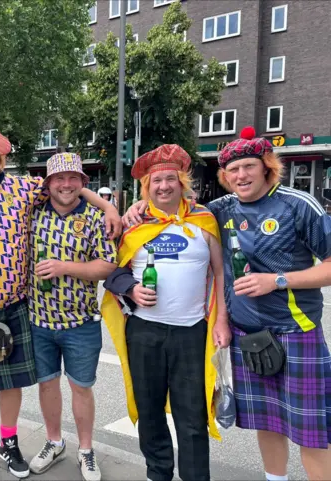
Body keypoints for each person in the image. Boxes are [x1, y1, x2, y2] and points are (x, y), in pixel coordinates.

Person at [123, 127, 331, 480]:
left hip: (295, 331)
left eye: (248, 167)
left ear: (266, 167)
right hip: (248, 333)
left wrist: (277, 281)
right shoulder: (220, 209)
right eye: (233, 170)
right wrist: (139, 204)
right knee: (270, 422)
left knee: (310, 431)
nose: (241, 175)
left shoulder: (297, 205)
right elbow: (170, 215)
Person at [0, 122, 121, 481]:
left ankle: (9, 442)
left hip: (14, 305)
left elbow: (68, 189)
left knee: (9, 383)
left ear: (1, 161)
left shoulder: (22, 189)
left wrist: (106, 206)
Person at [101, 144, 231, 481]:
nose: (163, 186)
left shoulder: (204, 221)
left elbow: (220, 274)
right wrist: (130, 288)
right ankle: (157, 473)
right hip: (144, 332)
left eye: (170, 179)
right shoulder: (134, 225)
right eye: (156, 181)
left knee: (193, 415)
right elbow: (112, 273)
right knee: (150, 411)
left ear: (182, 182)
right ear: (146, 188)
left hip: (192, 333)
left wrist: (221, 320)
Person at [27, 153, 118, 481]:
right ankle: (54, 441)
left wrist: (65, 267)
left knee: (81, 388)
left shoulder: (95, 218)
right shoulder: (31, 213)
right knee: (47, 384)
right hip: (38, 321)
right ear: (48, 183)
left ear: (82, 182)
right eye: (58, 179)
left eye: (73, 178)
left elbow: (107, 265)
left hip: (81, 323)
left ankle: (85, 449)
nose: (65, 185)